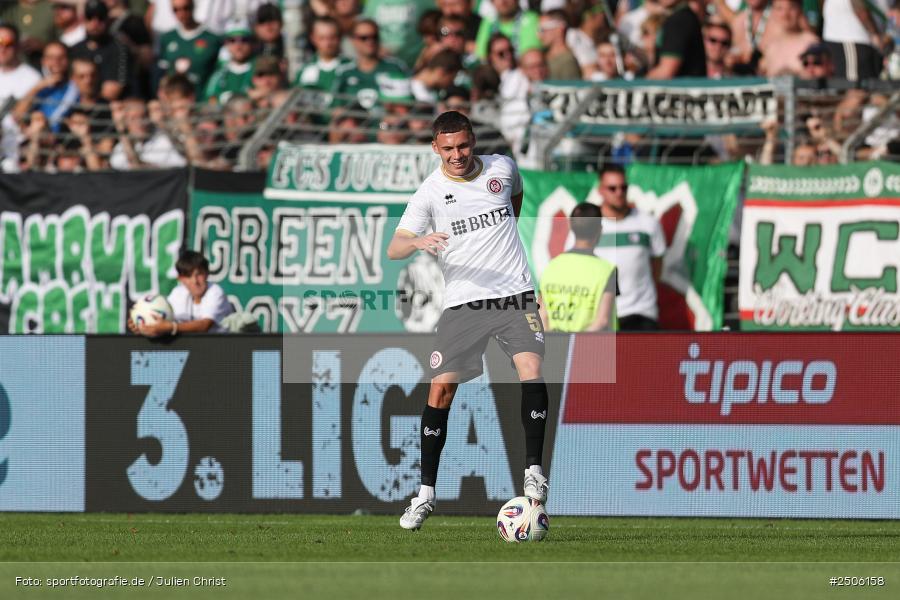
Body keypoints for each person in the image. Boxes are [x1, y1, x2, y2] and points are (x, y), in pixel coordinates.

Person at [388, 111, 549, 531]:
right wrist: (418, 240)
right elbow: (395, 247)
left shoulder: (502, 167)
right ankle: (424, 495)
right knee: (440, 390)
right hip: (464, 304)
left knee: (530, 371)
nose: (457, 155)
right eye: (448, 149)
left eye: (463, 146)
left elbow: (515, 200)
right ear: (435, 149)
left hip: (515, 294)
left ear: (473, 141)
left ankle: (534, 473)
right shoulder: (430, 192)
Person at [589, 164, 665, 331]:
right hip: (599, 315)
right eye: (612, 188)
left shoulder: (648, 223)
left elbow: (657, 265)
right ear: (600, 190)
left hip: (641, 313)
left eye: (623, 187)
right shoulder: (588, 225)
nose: (619, 193)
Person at [539, 202, 617, 332]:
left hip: (554, 348)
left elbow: (542, 315)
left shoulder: (551, 267)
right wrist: (577, 345)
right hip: (592, 349)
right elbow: (602, 321)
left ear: (570, 226)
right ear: (600, 229)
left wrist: (553, 346)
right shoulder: (607, 270)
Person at [129, 250, 234, 337]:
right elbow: (163, 321)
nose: (195, 281)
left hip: (221, 351)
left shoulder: (215, 292)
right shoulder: (177, 294)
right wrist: (142, 326)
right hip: (190, 349)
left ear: (207, 274)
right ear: (180, 279)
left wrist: (170, 327)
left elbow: (204, 326)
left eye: (199, 274)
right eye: (188, 276)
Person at [70, 0, 135, 100]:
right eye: (89, 17)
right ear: (83, 20)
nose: (95, 23)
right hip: (75, 106)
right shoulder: (75, 49)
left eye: (100, 18)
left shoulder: (119, 49)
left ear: (107, 20)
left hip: (106, 109)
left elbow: (111, 92)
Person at [156, 0, 222, 93]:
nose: (181, 13)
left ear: (193, 6)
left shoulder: (212, 39)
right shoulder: (167, 38)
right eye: (176, 10)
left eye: (186, 8)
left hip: (201, 98)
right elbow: (163, 73)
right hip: (174, 100)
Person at [647, 0, 706, 78]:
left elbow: (665, 73)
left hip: (680, 88)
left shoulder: (679, 20)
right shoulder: (684, 17)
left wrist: (638, 83)